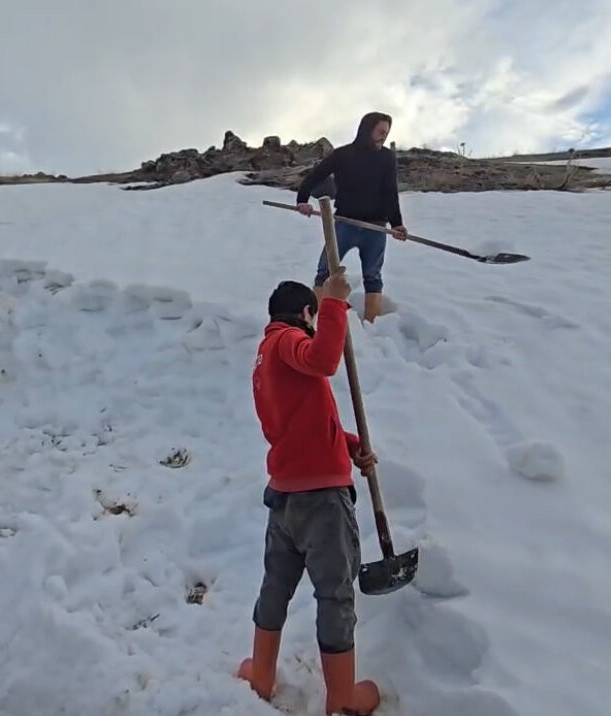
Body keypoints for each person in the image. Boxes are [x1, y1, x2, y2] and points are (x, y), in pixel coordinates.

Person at [237, 271, 381, 715]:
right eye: (314, 317)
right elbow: (323, 360)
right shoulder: (288, 342)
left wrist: (349, 445)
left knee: (276, 586)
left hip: (286, 496)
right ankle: (342, 699)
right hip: (322, 501)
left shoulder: (266, 357)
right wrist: (335, 302)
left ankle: (262, 674)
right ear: (305, 313)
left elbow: (304, 422)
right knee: (334, 594)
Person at [294, 111, 408, 323]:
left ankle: (371, 326)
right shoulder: (343, 154)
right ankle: (313, 324)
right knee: (324, 272)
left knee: (373, 277)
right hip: (345, 223)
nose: (384, 136)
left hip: (375, 227)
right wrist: (302, 200)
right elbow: (315, 176)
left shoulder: (386, 158)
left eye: (387, 132)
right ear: (367, 130)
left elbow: (390, 192)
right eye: (380, 131)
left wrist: (397, 224)